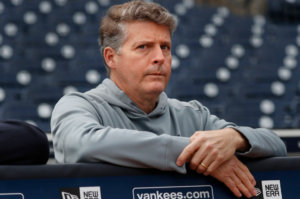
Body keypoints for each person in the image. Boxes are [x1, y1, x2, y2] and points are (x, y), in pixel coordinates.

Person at [51, 1, 287, 198]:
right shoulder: (79, 105)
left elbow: (276, 146)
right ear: (111, 58)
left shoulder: (192, 114)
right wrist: (196, 153)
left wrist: (234, 138)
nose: (159, 57)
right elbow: (80, 143)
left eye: (165, 47)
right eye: (144, 47)